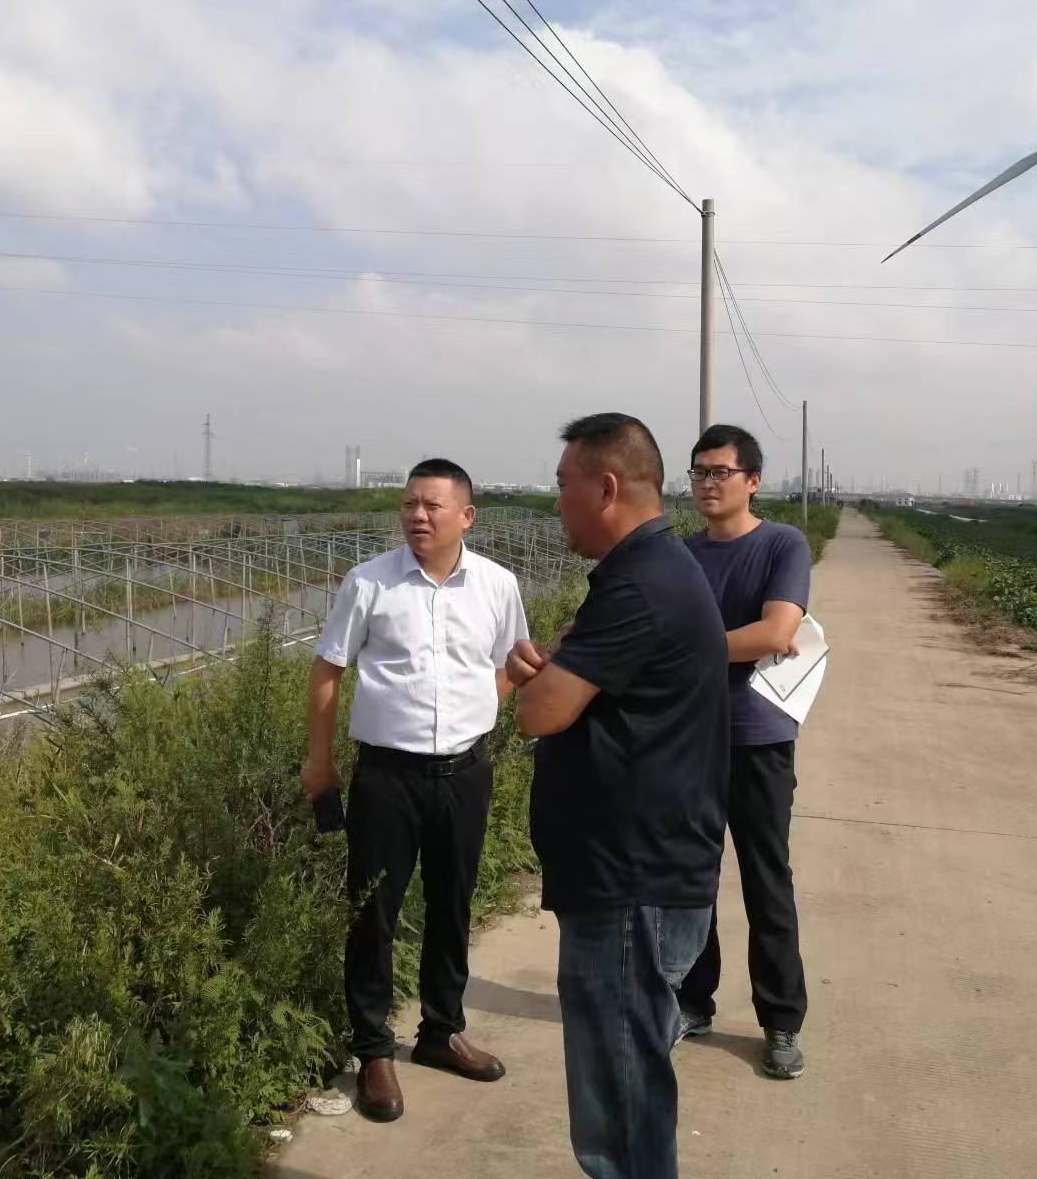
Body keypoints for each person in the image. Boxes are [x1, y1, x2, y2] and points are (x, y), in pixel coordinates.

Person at [506, 412, 730, 1179]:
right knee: (629, 1086)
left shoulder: (638, 584)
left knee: (621, 1106)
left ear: (606, 488)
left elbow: (539, 713)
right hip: (643, 873)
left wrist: (543, 679)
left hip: (631, 884)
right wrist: (562, 668)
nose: (556, 502)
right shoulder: (657, 570)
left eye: (563, 485)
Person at [301, 458, 528, 1124]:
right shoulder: (369, 582)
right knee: (374, 909)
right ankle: (373, 1049)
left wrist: (479, 709)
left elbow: (512, 661)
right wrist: (320, 761)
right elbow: (328, 670)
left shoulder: (497, 585)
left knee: (452, 900)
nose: (417, 516)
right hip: (387, 777)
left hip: (464, 773)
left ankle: (441, 1031)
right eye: (409, 505)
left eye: (432, 505)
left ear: (466, 517)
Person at [674, 423, 810, 1079]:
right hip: (689, 738)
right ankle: (690, 1002)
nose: (708, 483)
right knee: (690, 880)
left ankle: (781, 1020)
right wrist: (733, 641)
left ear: (752, 481)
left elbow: (778, 631)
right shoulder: (681, 555)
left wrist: (686, 648)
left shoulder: (783, 544)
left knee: (766, 880)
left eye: (721, 472)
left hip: (758, 739)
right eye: (699, 472)